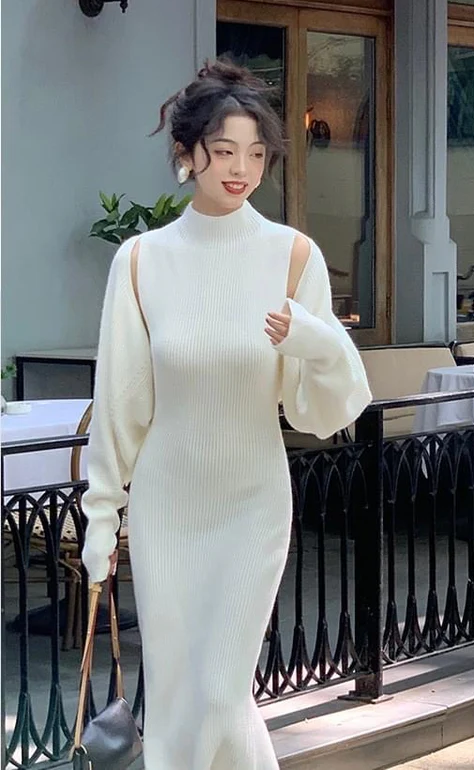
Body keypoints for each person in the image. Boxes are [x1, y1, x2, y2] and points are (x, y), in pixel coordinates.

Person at [81, 59, 372, 770]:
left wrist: (313, 340)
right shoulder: (141, 261)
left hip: (252, 504)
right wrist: (102, 516)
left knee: (217, 693)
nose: (241, 169)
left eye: (256, 153)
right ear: (187, 155)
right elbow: (121, 402)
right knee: (182, 698)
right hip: (167, 508)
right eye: (223, 151)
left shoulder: (292, 255)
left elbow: (328, 409)